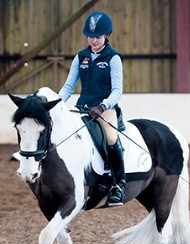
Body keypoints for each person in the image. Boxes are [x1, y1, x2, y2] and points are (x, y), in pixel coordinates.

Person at [58, 12, 125, 206]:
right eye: (90, 36)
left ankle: (118, 185)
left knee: (111, 138)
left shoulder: (113, 58)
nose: (93, 40)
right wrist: (56, 104)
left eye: (97, 37)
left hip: (106, 109)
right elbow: (69, 87)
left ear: (107, 36)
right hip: (83, 108)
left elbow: (117, 91)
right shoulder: (81, 57)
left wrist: (103, 105)